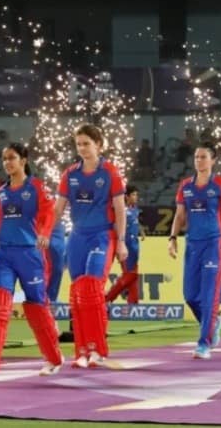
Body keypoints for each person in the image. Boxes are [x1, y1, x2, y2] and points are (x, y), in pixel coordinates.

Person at [0, 143, 64, 381]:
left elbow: (49, 212)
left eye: (11, 158)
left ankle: (53, 358)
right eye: (4, 159)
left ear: (23, 160)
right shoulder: (2, 191)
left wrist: (44, 233)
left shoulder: (36, 187)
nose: (7, 163)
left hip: (30, 255)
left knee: (36, 306)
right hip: (4, 255)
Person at [54, 124, 127, 368]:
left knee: (93, 290)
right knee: (77, 294)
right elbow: (58, 208)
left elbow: (119, 209)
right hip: (77, 237)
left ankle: (98, 349)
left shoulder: (111, 173)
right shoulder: (70, 175)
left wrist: (122, 242)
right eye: (79, 144)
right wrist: (44, 233)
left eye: (87, 143)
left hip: (102, 236)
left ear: (99, 144)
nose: (83, 148)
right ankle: (82, 351)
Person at [168, 143, 221, 359]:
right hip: (192, 244)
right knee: (189, 295)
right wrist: (172, 238)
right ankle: (213, 321)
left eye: (203, 157)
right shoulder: (186, 186)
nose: (199, 160)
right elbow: (180, 215)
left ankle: (203, 343)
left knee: (209, 295)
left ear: (213, 160)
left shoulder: (220, 185)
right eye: (197, 157)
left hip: (213, 244)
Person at [106, 186, 143, 304]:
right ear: (126, 197)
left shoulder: (134, 209)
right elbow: (116, 226)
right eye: (133, 195)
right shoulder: (121, 210)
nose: (136, 197)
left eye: (136, 195)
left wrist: (141, 231)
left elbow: (135, 221)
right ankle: (108, 297)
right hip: (125, 245)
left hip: (134, 244)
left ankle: (133, 301)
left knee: (132, 273)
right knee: (131, 274)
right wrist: (119, 243)